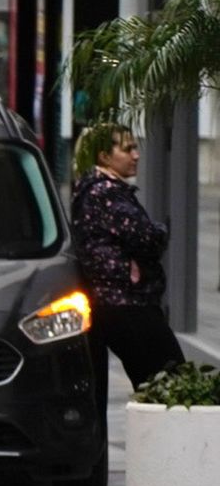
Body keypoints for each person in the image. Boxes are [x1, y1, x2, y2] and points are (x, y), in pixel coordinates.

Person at [70, 123, 186, 421]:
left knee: (154, 384)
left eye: (135, 147)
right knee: (172, 382)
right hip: (127, 303)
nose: (136, 155)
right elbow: (147, 237)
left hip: (120, 302)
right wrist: (159, 231)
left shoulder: (94, 189)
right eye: (127, 148)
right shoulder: (106, 192)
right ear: (104, 156)